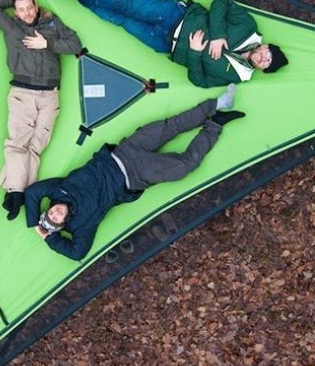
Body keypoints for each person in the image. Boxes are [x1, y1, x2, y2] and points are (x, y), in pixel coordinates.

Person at [25, 84, 244, 260]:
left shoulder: (58, 190)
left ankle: (218, 103)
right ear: (62, 224)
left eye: (51, 212)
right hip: (135, 175)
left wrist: (34, 222)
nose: (55, 213)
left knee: (171, 125)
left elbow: (33, 192)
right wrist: (48, 238)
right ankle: (215, 124)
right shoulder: (82, 225)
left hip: (124, 152)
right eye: (56, 219)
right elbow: (77, 253)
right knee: (185, 166)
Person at [47, 0, 288, 88]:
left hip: (164, 43)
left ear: (263, 69)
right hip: (177, 15)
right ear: (266, 46)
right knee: (125, 2)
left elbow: (199, 81)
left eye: (267, 62)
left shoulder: (237, 77)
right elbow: (221, 3)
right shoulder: (248, 28)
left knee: (120, 20)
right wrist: (218, 36)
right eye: (268, 54)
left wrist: (194, 53)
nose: (264, 58)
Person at [0, 0, 82, 221]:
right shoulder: (12, 27)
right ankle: (17, 194)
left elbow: (75, 44)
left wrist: (47, 44)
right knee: (19, 143)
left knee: (37, 145)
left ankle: (18, 191)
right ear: (16, 12)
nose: (26, 13)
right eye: (21, 9)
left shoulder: (52, 23)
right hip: (23, 92)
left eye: (29, 7)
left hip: (50, 94)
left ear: (36, 6)